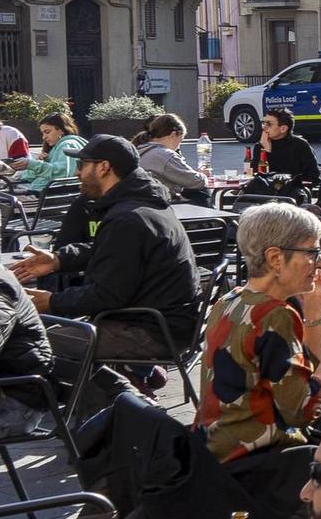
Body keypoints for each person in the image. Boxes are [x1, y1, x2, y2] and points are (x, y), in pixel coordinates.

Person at [197, 205, 321, 476]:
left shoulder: (230, 301)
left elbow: (301, 381)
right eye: (312, 252)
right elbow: (302, 412)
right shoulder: (275, 315)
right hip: (258, 462)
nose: (320, 262)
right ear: (276, 258)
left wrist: (314, 305)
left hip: (216, 448)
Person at [11, 136, 200, 358]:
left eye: (82, 165)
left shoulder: (127, 218)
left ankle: (121, 390)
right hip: (164, 321)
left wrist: (51, 301)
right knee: (41, 340)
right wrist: (58, 259)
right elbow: (112, 251)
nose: (77, 173)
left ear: (104, 167)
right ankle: (125, 383)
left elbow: (107, 295)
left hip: (151, 330)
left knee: (28, 346)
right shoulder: (141, 203)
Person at [134, 113, 210, 200]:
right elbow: (196, 181)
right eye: (180, 140)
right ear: (173, 135)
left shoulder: (139, 149)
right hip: (161, 202)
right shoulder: (165, 155)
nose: (179, 146)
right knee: (202, 193)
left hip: (140, 200)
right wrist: (203, 175)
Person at [11, 111, 83, 192]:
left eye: (47, 132)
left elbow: (63, 173)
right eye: (43, 133)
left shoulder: (67, 145)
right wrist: (36, 164)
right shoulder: (56, 147)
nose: (44, 137)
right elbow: (32, 176)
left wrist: (33, 164)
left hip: (47, 195)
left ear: (62, 130)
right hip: (40, 191)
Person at [249, 107, 319, 185]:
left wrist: (270, 153)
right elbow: (254, 175)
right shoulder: (261, 145)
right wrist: (266, 152)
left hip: (292, 191)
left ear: (283, 128)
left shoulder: (300, 145)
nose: (264, 127)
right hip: (265, 191)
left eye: (268, 124)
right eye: (263, 123)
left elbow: (313, 176)